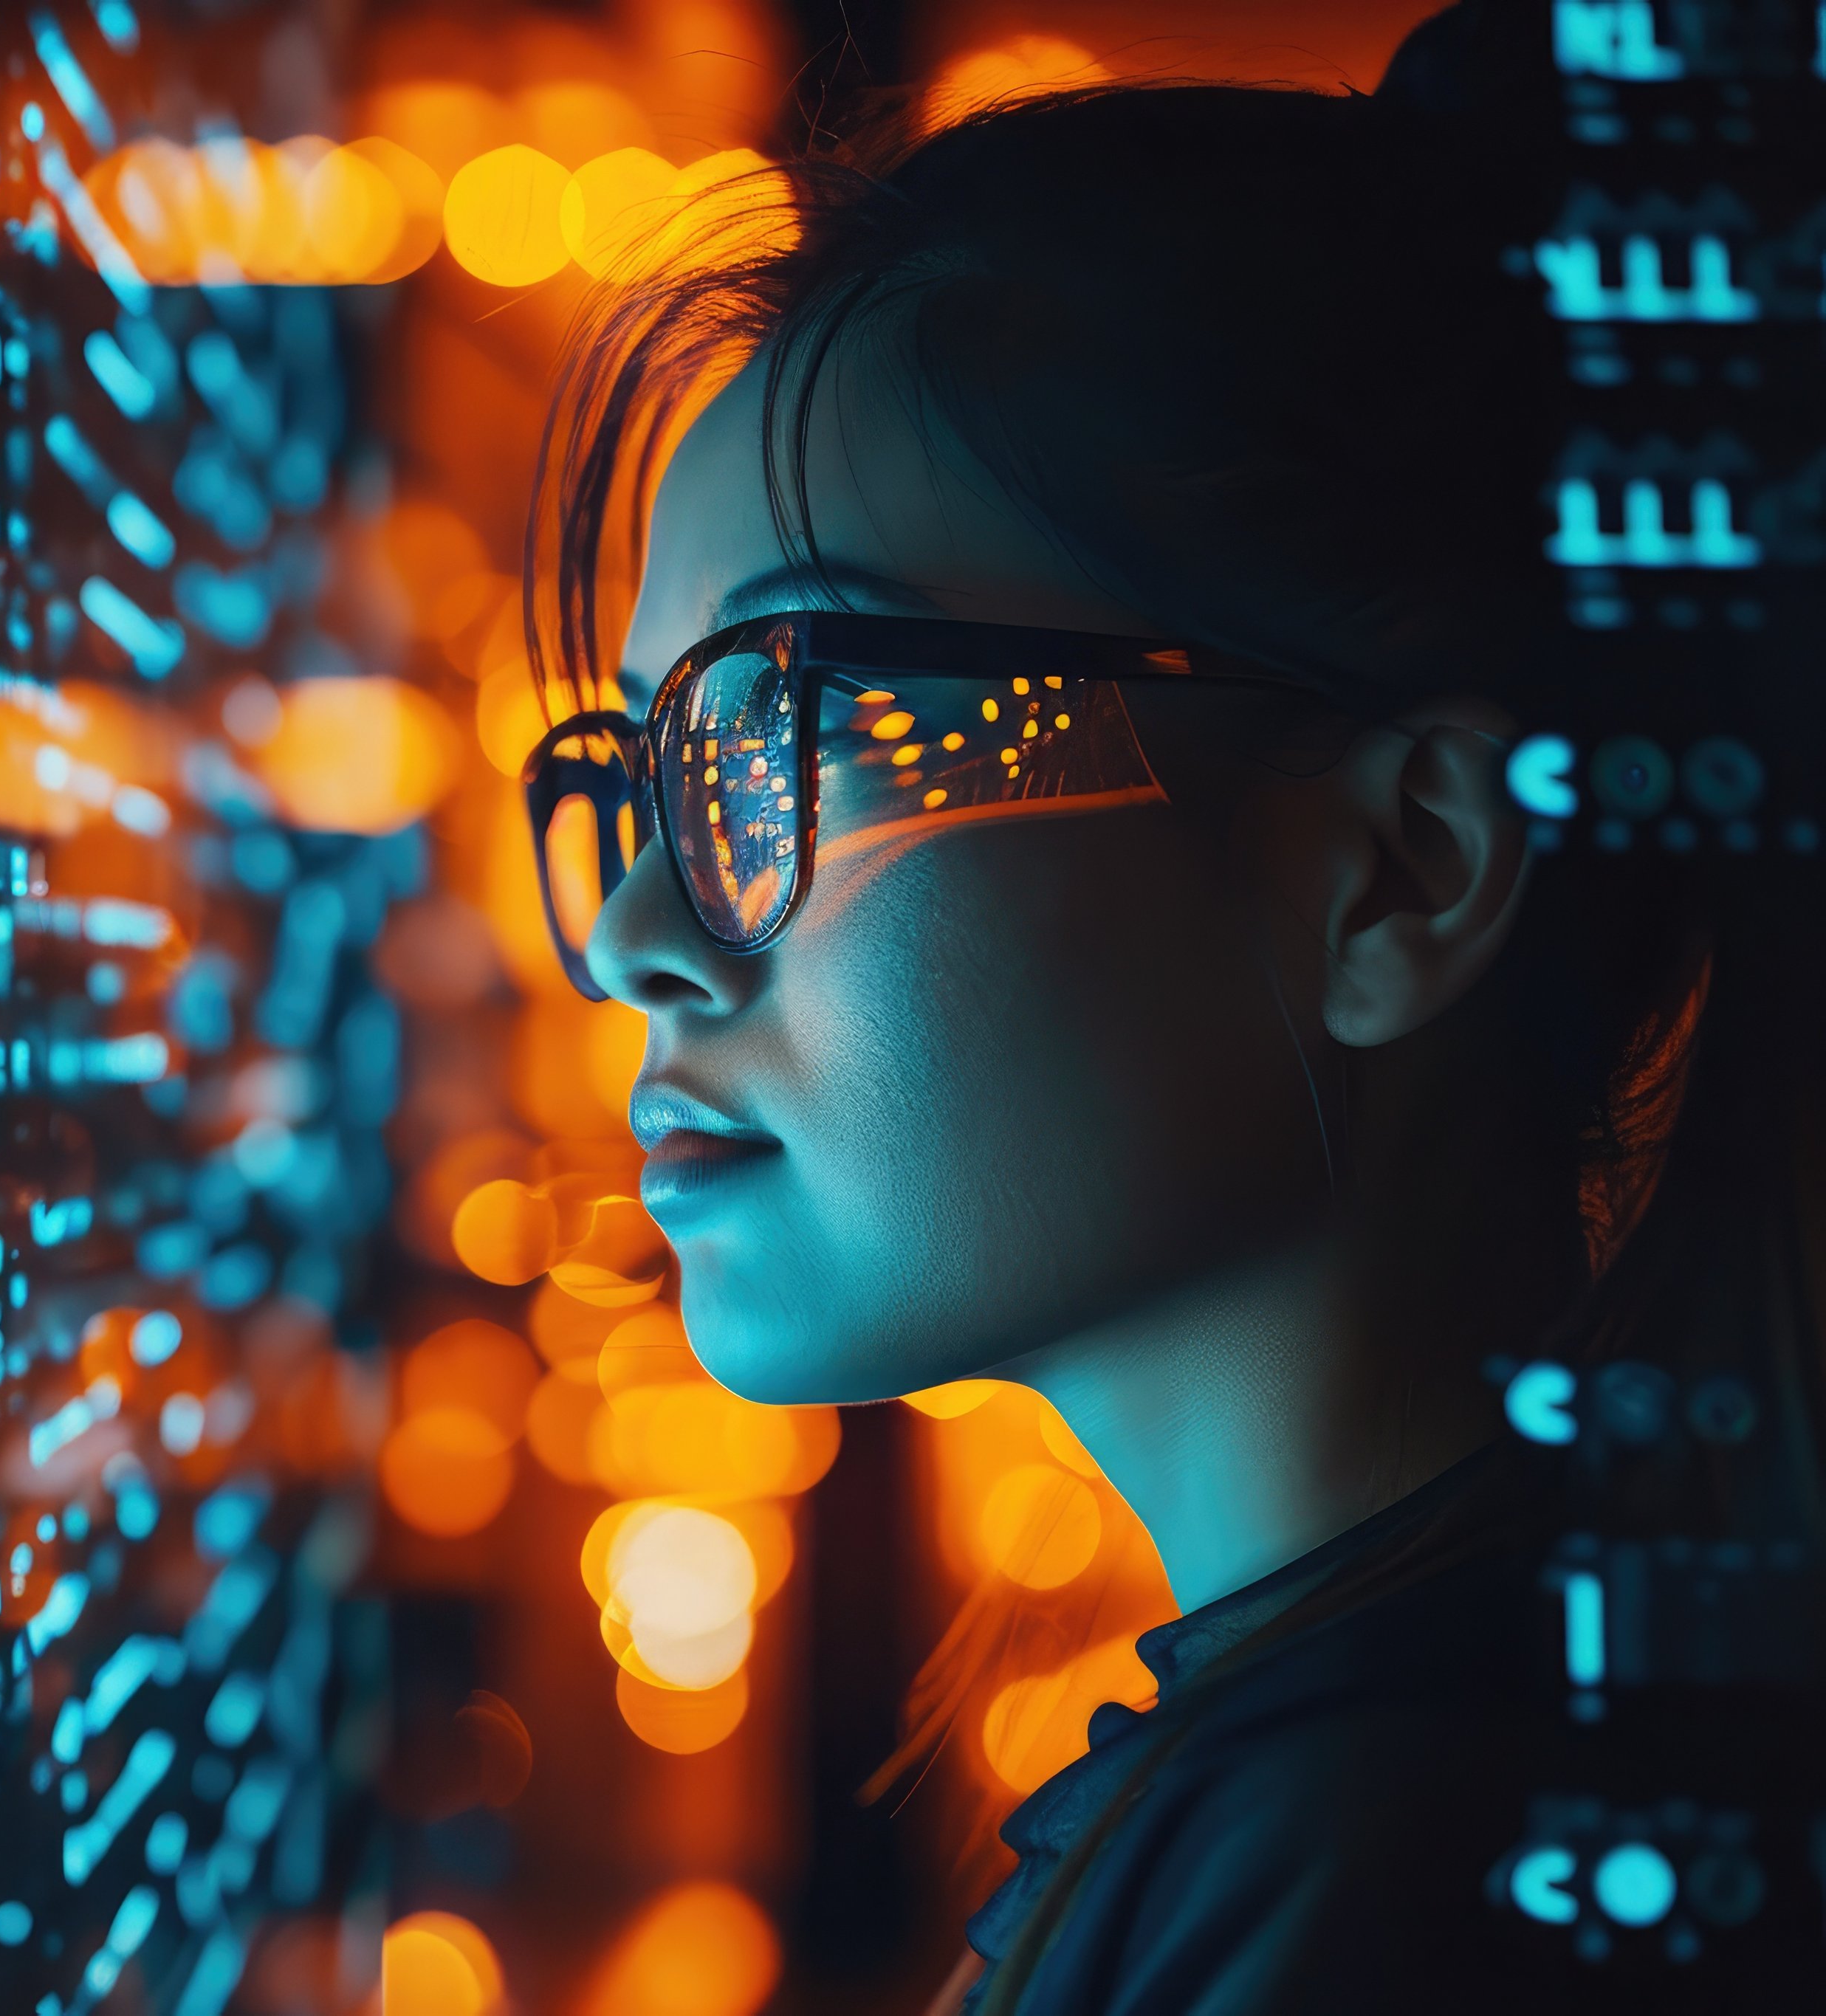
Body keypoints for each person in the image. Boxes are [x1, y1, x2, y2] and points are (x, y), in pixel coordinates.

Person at [517, 7, 1826, 2009]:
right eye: (649, 772)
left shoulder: (1402, 1882)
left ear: (1401, 869)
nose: (629, 930)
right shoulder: (1436, 1777)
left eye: (795, 730)